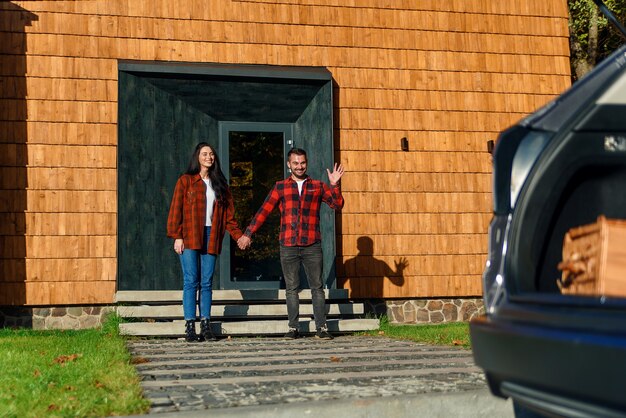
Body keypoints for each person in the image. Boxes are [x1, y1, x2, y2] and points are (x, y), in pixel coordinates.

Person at [237, 148, 344, 340]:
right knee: (291, 288)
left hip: (312, 244)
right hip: (288, 244)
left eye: (302, 162)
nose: (299, 166)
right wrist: (247, 234)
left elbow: (337, 205)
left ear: (307, 163)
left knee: (317, 287)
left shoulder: (318, 186)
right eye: (295, 163)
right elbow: (264, 211)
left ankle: (322, 327)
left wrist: (334, 184)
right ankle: (293, 327)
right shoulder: (280, 187)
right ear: (289, 165)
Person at [167, 142, 244, 342]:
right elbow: (176, 210)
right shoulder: (186, 181)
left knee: (207, 282)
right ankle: (190, 325)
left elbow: (229, 217)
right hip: (190, 233)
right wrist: (177, 236)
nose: (209, 157)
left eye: (211, 154)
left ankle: (206, 323)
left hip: (212, 235)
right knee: (191, 280)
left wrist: (239, 236)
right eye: (204, 154)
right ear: (197, 157)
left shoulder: (221, 184)